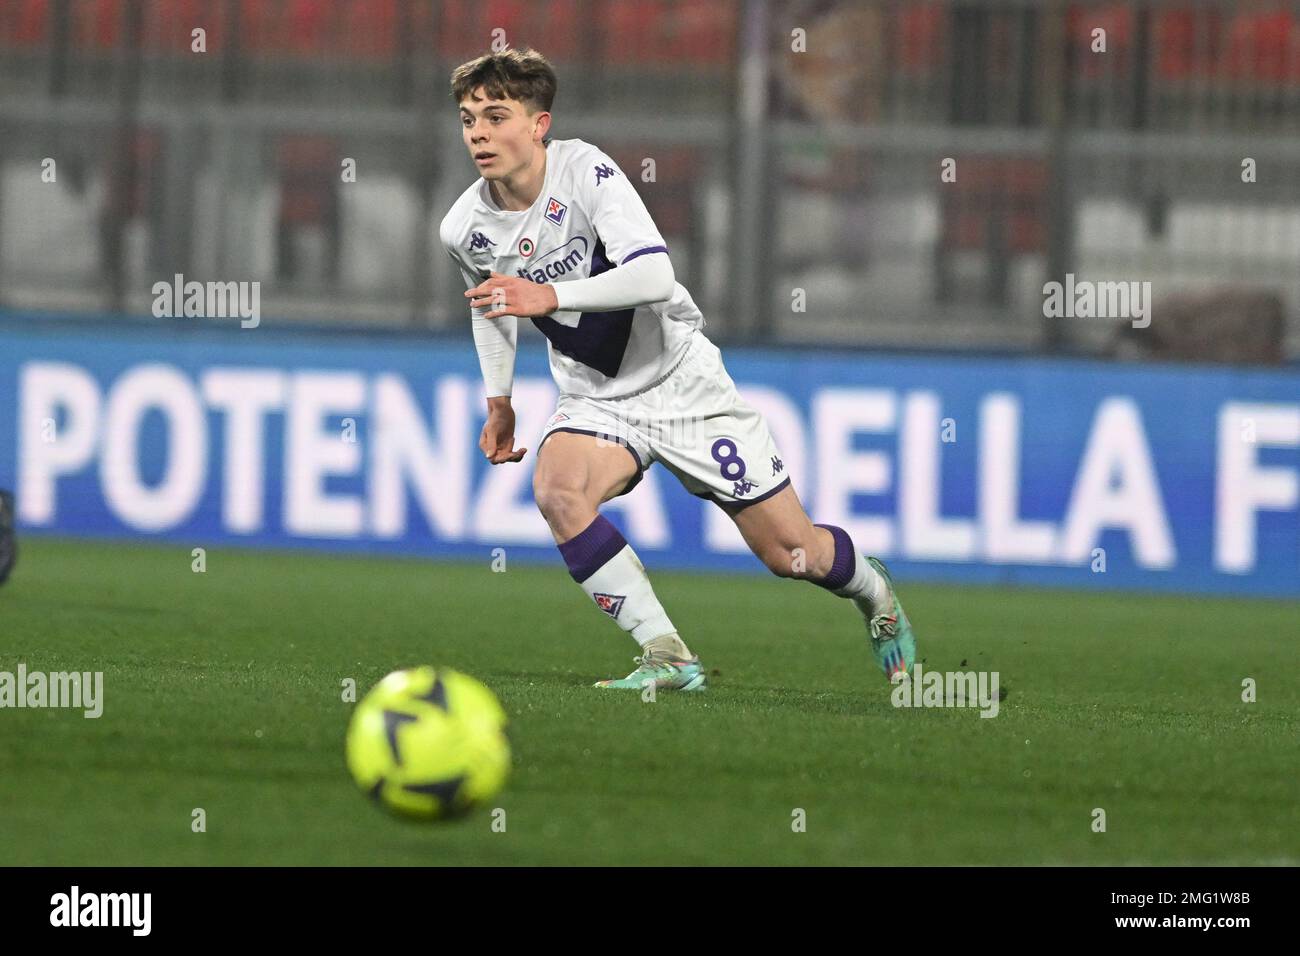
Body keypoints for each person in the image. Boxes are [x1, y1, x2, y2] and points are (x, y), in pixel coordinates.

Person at [439, 48, 916, 692]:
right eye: (469, 119)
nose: (479, 133)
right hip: (597, 399)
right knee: (557, 490)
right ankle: (668, 655)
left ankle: (874, 589)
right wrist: (499, 399)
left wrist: (549, 296)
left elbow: (654, 275)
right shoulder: (463, 226)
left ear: (539, 124)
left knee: (792, 554)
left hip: (682, 381)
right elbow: (491, 306)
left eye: (496, 116)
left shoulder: (587, 173)